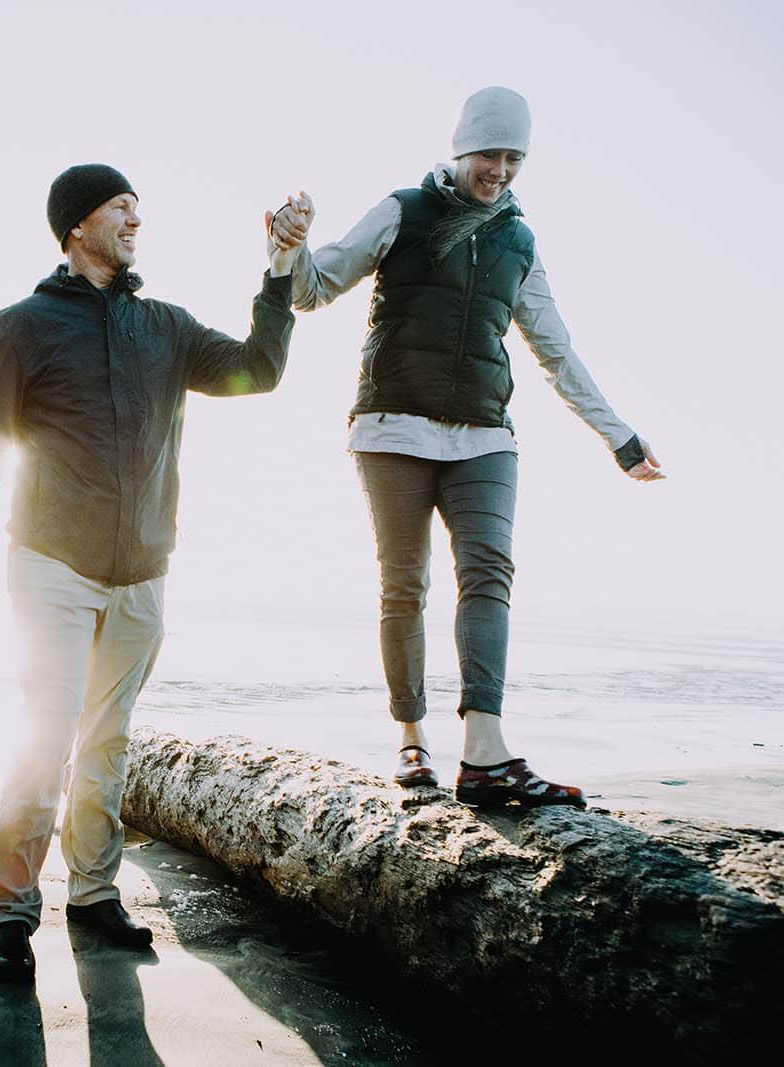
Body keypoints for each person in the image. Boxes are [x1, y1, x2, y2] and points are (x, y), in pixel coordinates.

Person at [0, 164, 306, 982]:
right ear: (76, 225)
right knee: (48, 724)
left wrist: (279, 272)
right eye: (119, 206)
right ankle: (8, 910)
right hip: (50, 565)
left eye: (138, 205)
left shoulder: (165, 328)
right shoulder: (25, 326)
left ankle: (95, 894)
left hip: (142, 572)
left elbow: (259, 367)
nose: (135, 217)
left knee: (108, 739)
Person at [268, 86, 664, 809]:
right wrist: (287, 250)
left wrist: (620, 437)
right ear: (460, 149)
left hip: (485, 434)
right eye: (491, 154)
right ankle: (411, 738)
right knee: (405, 583)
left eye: (516, 158)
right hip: (392, 428)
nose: (502, 170)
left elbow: (556, 350)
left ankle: (484, 751)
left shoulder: (519, 239)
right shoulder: (404, 211)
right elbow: (313, 288)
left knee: (489, 570)